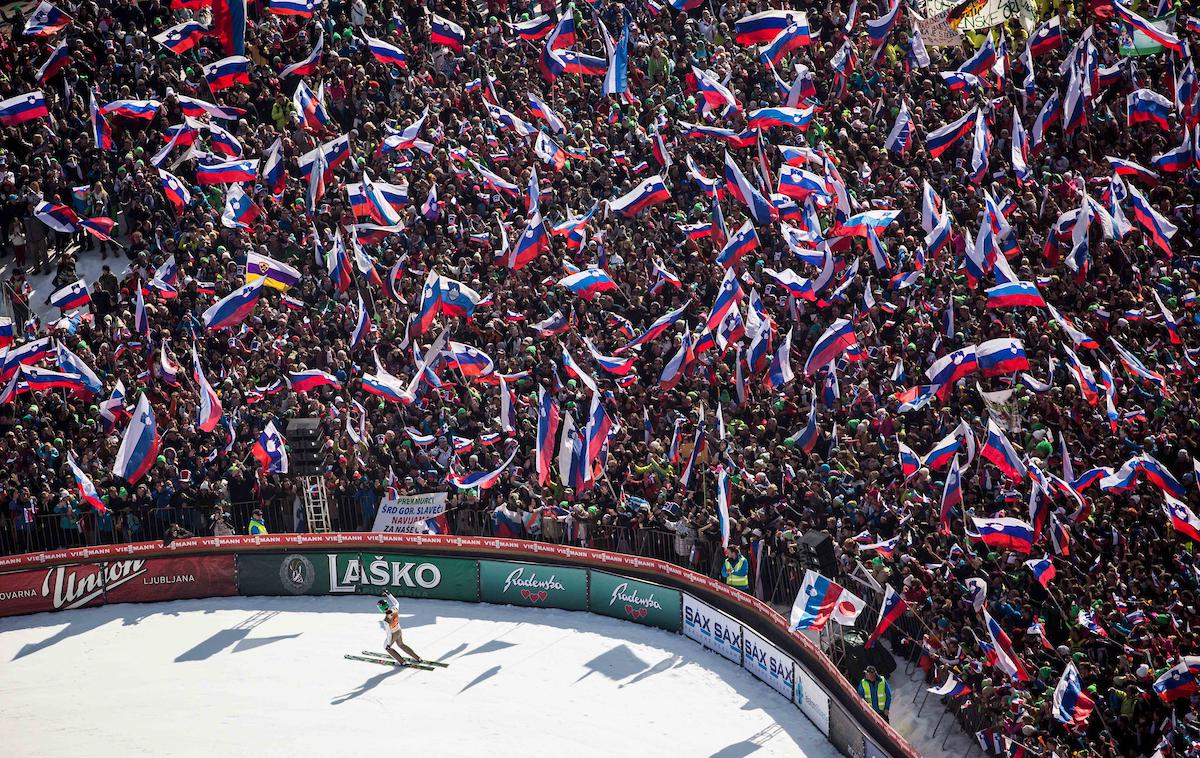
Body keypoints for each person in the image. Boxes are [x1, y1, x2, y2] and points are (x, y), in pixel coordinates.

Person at [377, 590, 423, 665]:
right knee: (401, 644)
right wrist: (388, 594)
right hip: (399, 630)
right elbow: (396, 602)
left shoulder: (386, 620)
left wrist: (388, 644)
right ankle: (418, 658)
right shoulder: (394, 609)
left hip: (393, 633)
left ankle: (401, 661)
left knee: (386, 647)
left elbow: (389, 633)